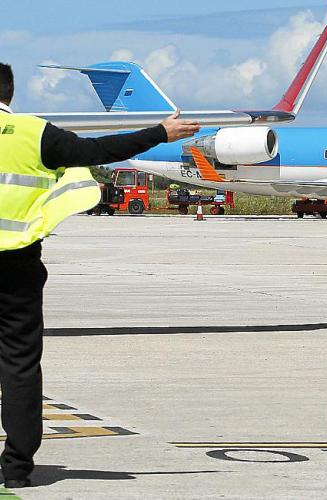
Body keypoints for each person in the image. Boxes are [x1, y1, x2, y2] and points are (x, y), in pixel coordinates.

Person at [0, 62, 200, 488]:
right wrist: (159, 134)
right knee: (19, 365)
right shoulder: (35, 134)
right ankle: (16, 468)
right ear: (9, 95)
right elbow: (100, 150)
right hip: (15, 267)